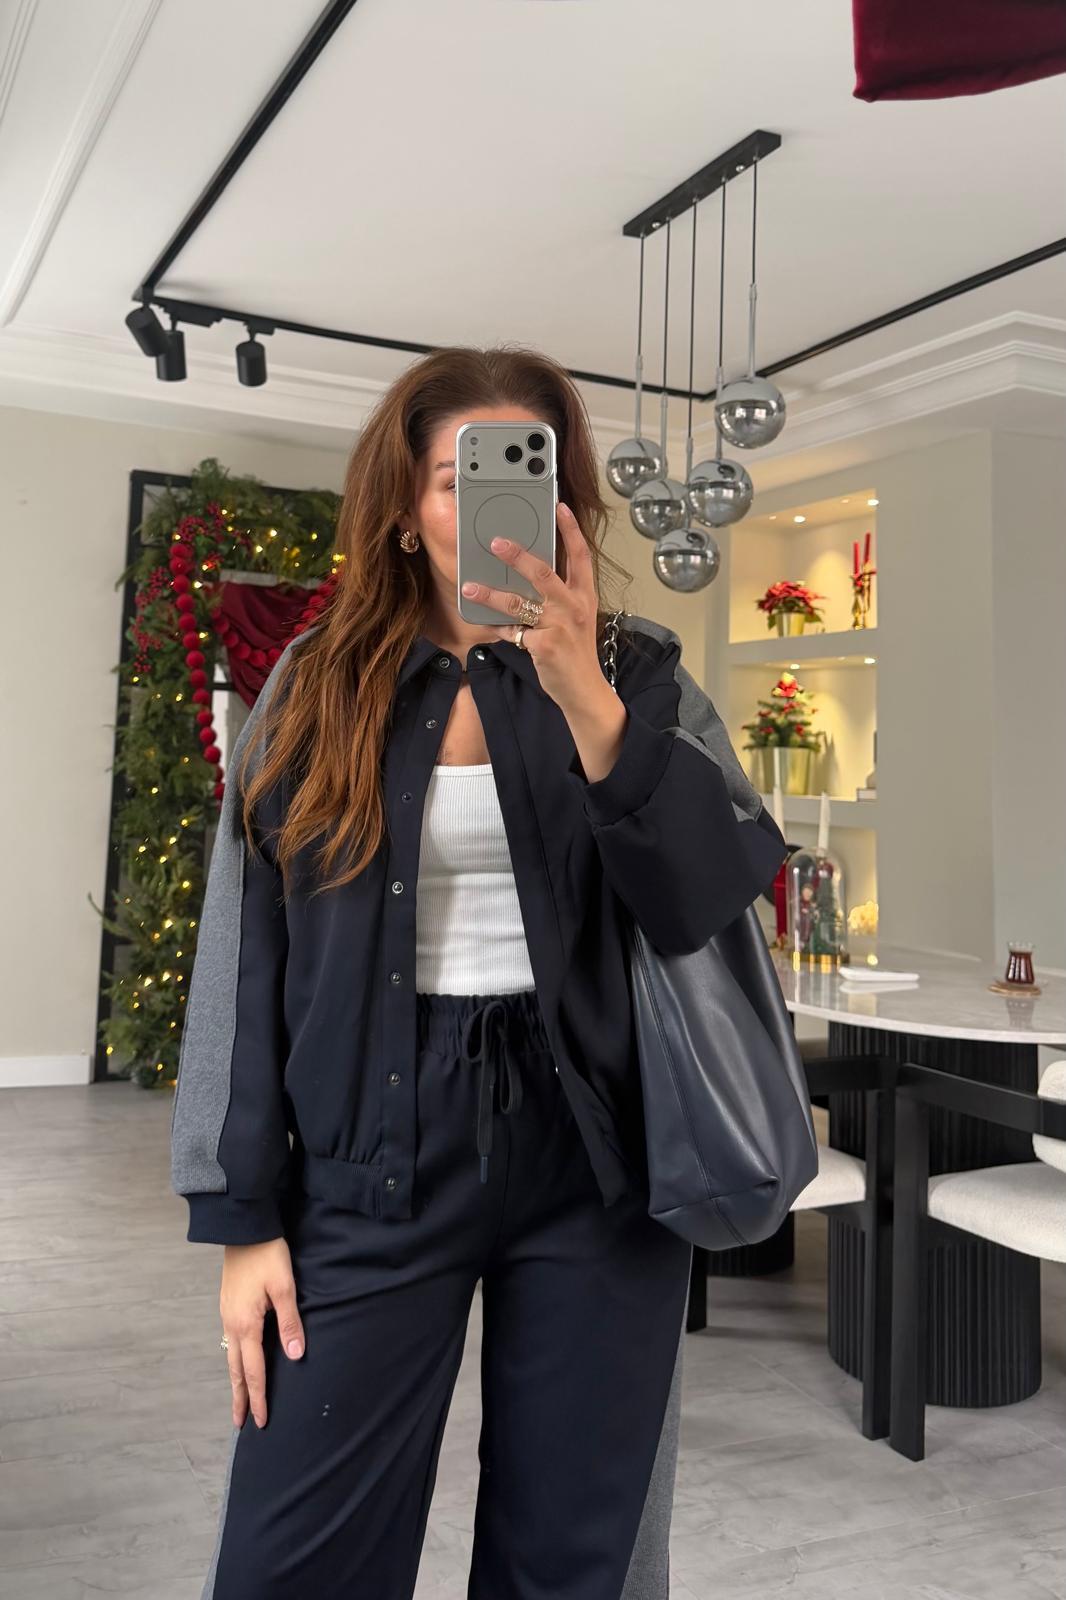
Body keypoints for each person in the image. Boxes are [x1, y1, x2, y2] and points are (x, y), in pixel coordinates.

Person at [170, 344, 787, 1600]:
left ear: (565, 501)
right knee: (293, 1563)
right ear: (406, 509)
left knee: (574, 1561)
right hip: (368, 1154)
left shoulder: (638, 672)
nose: (493, 507)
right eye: (459, 479)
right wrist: (242, 1217)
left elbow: (715, 892)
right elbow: (246, 945)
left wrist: (586, 697)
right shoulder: (314, 684)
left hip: (599, 1161)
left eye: (525, 473)